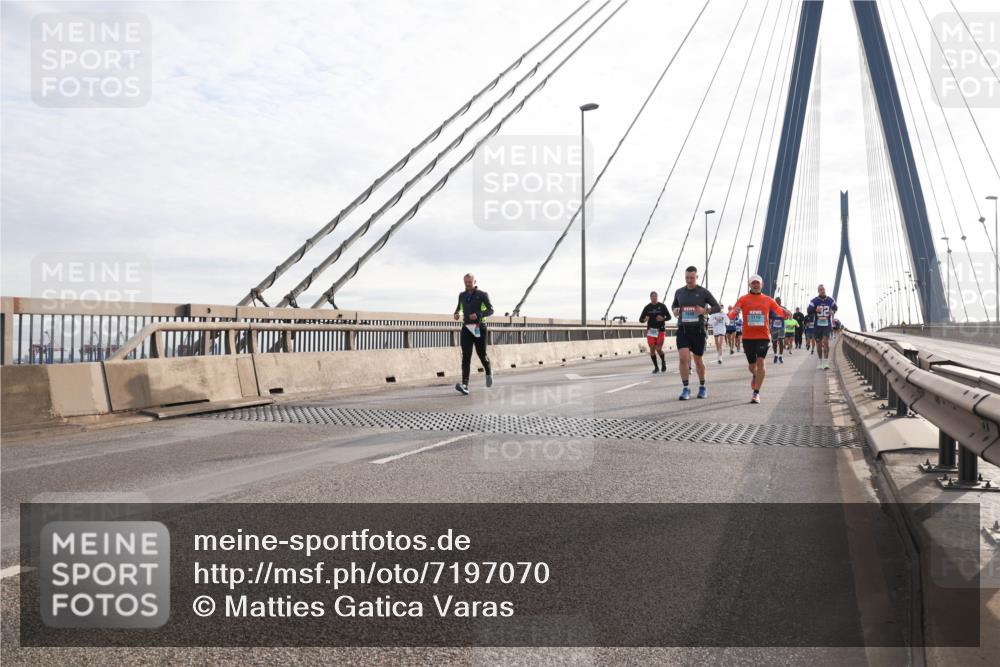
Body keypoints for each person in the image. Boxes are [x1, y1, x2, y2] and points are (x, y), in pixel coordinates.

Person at [728, 275, 791, 403]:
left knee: (761, 362)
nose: (756, 285)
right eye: (753, 283)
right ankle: (755, 375)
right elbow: (731, 315)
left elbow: (779, 311)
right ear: (750, 285)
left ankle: (756, 393)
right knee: (752, 366)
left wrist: (786, 313)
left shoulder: (768, 300)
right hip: (748, 337)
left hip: (763, 336)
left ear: (761, 285)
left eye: (758, 283)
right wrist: (735, 312)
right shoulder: (743, 299)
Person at [671, 266, 721, 400]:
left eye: (692, 278)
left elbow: (717, 307)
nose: (689, 280)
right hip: (683, 329)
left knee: (698, 360)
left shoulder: (703, 292)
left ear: (697, 277)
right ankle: (686, 388)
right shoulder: (679, 292)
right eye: (687, 278)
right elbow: (674, 306)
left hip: (698, 330)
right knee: (683, 358)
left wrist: (704, 311)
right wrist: (675, 310)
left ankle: (702, 386)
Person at [452, 273, 494, 394]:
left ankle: (488, 372)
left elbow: (491, 310)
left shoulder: (482, 295)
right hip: (466, 328)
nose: (468, 284)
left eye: (470, 282)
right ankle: (465, 384)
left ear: (475, 282)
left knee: (482, 354)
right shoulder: (462, 295)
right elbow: (458, 308)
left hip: (479, 328)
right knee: (466, 356)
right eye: (466, 282)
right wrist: (456, 314)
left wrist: (479, 314)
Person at [639, 291, 672, 373]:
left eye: (656, 296)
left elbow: (669, 317)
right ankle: (656, 367)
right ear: (650, 298)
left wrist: (663, 319)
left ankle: (663, 362)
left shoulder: (662, 306)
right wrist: (644, 320)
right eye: (653, 296)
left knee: (658, 348)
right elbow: (640, 320)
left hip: (660, 330)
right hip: (651, 331)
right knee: (652, 349)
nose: (654, 298)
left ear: (657, 297)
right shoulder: (647, 307)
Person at [808, 284, 839, 370]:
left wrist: (832, 311)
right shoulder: (814, 301)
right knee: (818, 344)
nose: (822, 291)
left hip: (826, 325)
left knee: (826, 342)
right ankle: (820, 361)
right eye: (820, 290)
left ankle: (825, 362)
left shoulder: (830, 300)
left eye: (823, 289)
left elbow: (836, 308)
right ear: (818, 291)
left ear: (825, 290)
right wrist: (815, 310)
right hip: (817, 326)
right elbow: (808, 310)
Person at [769, 297, 786, 364]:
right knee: (774, 342)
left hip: (781, 327)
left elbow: (786, 316)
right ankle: (775, 355)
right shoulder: (772, 309)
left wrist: (784, 316)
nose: (778, 302)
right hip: (774, 327)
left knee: (781, 340)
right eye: (777, 301)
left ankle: (781, 356)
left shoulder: (783, 308)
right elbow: (768, 317)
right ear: (775, 302)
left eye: (779, 301)